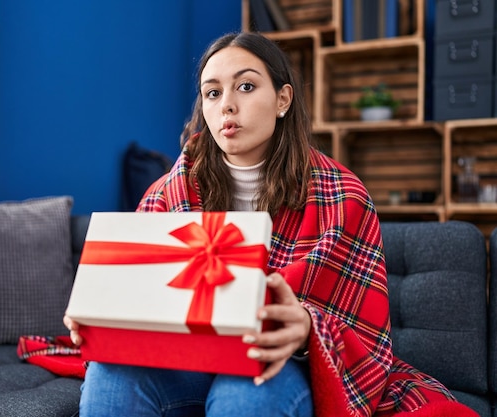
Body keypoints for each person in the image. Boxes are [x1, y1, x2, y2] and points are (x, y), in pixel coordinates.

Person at [64, 32, 478, 417]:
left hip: (282, 366)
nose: (227, 104)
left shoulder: (343, 196)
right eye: (212, 92)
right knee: (109, 373)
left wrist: (307, 328)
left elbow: (360, 331)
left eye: (245, 86)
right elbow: (140, 302)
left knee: (245, 387)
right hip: (186, 361)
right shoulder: (163, 195)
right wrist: (102, 317)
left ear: (283, 99)